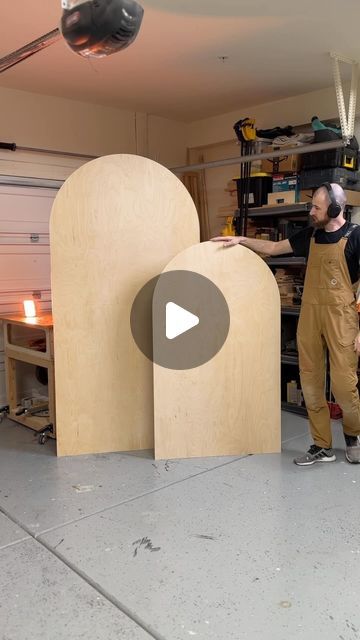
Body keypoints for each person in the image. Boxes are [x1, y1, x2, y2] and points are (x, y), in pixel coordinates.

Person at [212, 183, 360, 466]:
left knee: (344, 386)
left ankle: (353, 435)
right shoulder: (310, 235)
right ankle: (321, 445)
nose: (311, 212)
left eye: (317, 207)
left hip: (342, 318)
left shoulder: (356, 237)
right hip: (310, 317)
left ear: (335, 209)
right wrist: (242, 240)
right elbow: (272, 248)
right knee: (311, 382)